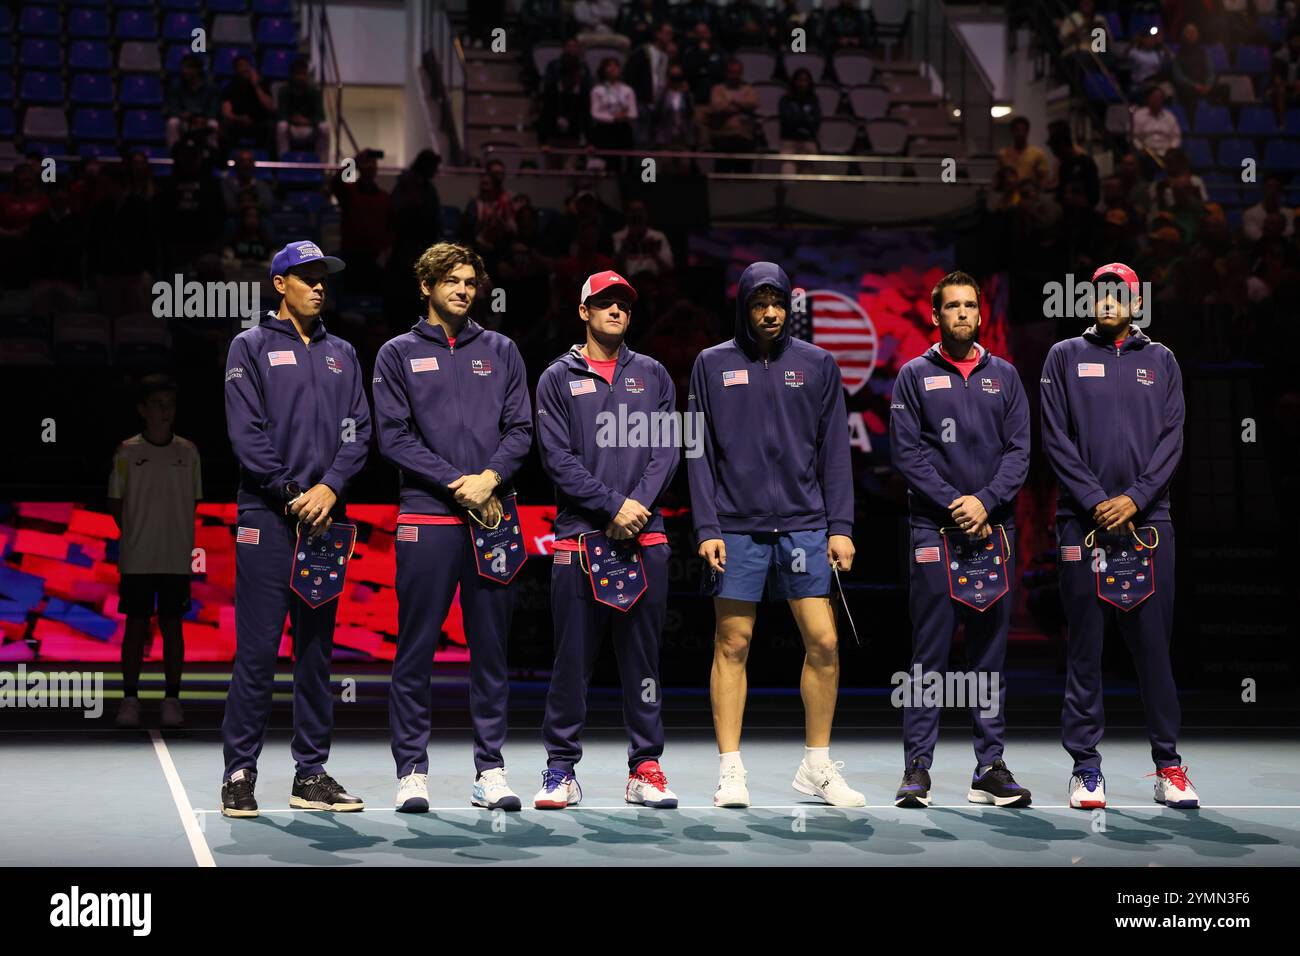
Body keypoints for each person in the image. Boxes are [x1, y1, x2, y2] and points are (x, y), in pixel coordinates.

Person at [687, 261, 861, 808]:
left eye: (778, 302)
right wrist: (706, 525)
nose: (769, 312)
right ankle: (731, 770)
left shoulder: (818, 365)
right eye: (760, 302)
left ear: (790, 306)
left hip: (805, 527)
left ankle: (816, 765)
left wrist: (841, 527)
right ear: (743, 305)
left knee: (826, 642)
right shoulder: (710, 365)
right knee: (733, 643)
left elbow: (835, 450)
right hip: (734, 528)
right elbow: (697, 451)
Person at [374, 242, 533, 813]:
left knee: (491, 652)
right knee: (415, 649)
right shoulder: (396, 354)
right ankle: (411, 769)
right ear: (427, 286)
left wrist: (488, 478)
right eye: (452, 281)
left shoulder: (503, 350)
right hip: (427, 515)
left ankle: (490, 769)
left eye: (471, 281)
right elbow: (392, 437)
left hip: (493, 515)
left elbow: (521, 430)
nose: (464, 289)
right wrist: (455, 482)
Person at [219, 240, 372, 818]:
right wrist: (290, 492)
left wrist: (330, 487)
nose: (318, 285)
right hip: (268, 517)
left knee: (316, 653)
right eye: (306, 277)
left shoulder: (344, 354)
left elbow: (358, 430)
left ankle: (310, 773)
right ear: (278, 283)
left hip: (327, 519)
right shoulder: (250, 346)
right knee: (257, 653)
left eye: (323, 277)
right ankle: (240, 770)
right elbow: (245, 432)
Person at [1040, 262, 1199, 810]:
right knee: (1085, 650)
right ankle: (1086, 770)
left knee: (1154, 651)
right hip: (1081, 527)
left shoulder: (1162, 360)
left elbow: (1172, 438)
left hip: (1150, 524)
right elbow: (1055, 438)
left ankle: (1169, 766)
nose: (1109, 301)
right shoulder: (1064, 356)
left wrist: (1135, 498)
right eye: (1100, 293)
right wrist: (1096, 502)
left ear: (1135, 302)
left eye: (1119, 294)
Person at [532, 270, 680, 809]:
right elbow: (556, 459)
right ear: (583, 311)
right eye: (604, 303)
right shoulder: (556, 378)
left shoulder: (654, 375)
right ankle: (561, 770)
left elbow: (666, 450)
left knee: (642, 664)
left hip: (645, 539)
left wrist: (636, 508)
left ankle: (645, 767)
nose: (616, 311)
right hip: (579, 541)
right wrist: (612, 505)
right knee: (572, 661)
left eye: (623, 304)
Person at [888, 272, 1032, 809]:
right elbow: (908, 454)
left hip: (994, 530)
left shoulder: (1008, 378)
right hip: (935, 531)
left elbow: (1019, 452)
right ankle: (917, 769)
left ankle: (989, 768)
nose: (963, 314)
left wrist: (986, 502)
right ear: (936, 315)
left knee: (989, 657)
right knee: (928, 659)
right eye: (952, 307)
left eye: (971, 305)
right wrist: (957, 502)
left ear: (980, 313)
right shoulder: (912, 376)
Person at [109, 376, 202, 730]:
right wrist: (139, 535)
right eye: (158, 404)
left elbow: (192, 502)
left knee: (172, 627)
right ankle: (129, 699)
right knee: (135, 627)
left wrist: (169, 535)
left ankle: (172, 700)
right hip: (138, 558)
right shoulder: (126, 452)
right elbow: (115, 503)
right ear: (142, 410)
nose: (165, 411)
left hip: (175, 557)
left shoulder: (188, 452)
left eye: (170, 404)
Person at [624, 21, 675, 146]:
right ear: (658, 34)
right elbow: (629, 76)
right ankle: (642, 165)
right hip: (641, 101)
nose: (670, 37)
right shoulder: (642, 52)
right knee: (641, 141)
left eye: (671, 34)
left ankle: (655, 165)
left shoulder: (667, 56)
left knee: (657, 142)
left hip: (658, 102)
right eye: (667, 33)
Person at [708, 58, 759, 172]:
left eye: (738, 73)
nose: (735, 76)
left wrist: (732, 103)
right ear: (726, 73)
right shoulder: (718, 89)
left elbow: (754, 103)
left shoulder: (748, 89)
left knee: (743, 177)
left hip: (744, 137)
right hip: (723, 136)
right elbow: (717, 107)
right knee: (723, 176)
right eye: (732, 73)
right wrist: (741, 107)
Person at [589, 57, 638, 171]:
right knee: (607, 165)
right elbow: (595, 113)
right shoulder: (597, 90)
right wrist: (613, 118)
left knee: (626, 166)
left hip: (623, 130)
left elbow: (633, 113)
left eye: (616, 65)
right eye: (609, 66)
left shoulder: (628, 90)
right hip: (605, 131)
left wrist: (624, 117)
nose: (613, 68)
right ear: (603, 70)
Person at [275, 56, 330, 159]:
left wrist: (307, 121)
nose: (301, 77)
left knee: (324, 127)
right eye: (298, 74)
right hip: (292, 128)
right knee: (281, 126)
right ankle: (283, 162)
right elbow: (281, 114)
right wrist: (294, 120)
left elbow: (320, 116)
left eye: (304, 74)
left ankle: (322, 166)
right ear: (292, 75)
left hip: (309, 128)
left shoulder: (315, 92)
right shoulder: (284, 91)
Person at [164, 54, 220, 150]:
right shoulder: (176, 86)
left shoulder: (210, 87)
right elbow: (173, 107)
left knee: (213, 124)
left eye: (188, 68)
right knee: (172, 123)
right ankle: (174, 152)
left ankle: (212, 153)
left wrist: (202, 117)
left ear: (197, 70)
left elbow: (213, 108)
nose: (184, 71)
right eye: (184, 68)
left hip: (204, 118)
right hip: (184, 119)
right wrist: (182, 115)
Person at [220, 55, 275, 151]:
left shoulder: (262, 86)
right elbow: (226, 113)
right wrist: (240, 119)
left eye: (246, 66)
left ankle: (269, 159)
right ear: (236, 70)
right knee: (226, 125)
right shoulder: (229, 88)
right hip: (238, 124)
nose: (244, 69)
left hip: (258, 124)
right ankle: (227, 158)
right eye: (240, 66)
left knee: (271, 126)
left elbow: (270, 107)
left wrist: (256, 86)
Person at [612, 198, 673, 276]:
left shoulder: (658, 237)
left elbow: (669, 268)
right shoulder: (618, 237)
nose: (637, 214)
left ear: (646, 214)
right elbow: (613, 269)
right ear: (627, 214)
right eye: (633, 211)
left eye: (640, 211)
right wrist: (626, 245)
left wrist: (654, 253)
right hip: (628, 283)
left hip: (653, 284)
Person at [778, 67, 821, 174]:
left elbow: (816, 122)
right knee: (787, 176)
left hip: (808, 141)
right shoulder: (785, 100)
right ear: (794, 82)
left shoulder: (814, 101)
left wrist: (797, 118)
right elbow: (786, 121)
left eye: (805, 80)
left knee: (807, 182)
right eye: (799, 80)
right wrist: (805, 119)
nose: (802, 84)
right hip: (789, 142)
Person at [1131, 85, 1182, 166]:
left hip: (1166, 153)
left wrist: (1171, 150)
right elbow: (1134, 137)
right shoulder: (1139, 115)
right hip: (1146, 154)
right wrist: (1141, 149)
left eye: (1160, 97)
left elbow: (1176, 137)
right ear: (1148, 99)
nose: (1157, 100)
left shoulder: (1169, 116)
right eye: (1154, 97)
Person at [1242, 173, 1295, 242]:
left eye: (1276, 187)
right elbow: (1253, 235)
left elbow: (1291, 232)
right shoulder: (1249, 214)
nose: (1272, 191)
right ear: (1263, 188)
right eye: (1269, 187)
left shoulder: (1290, 213)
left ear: (1280, 190)